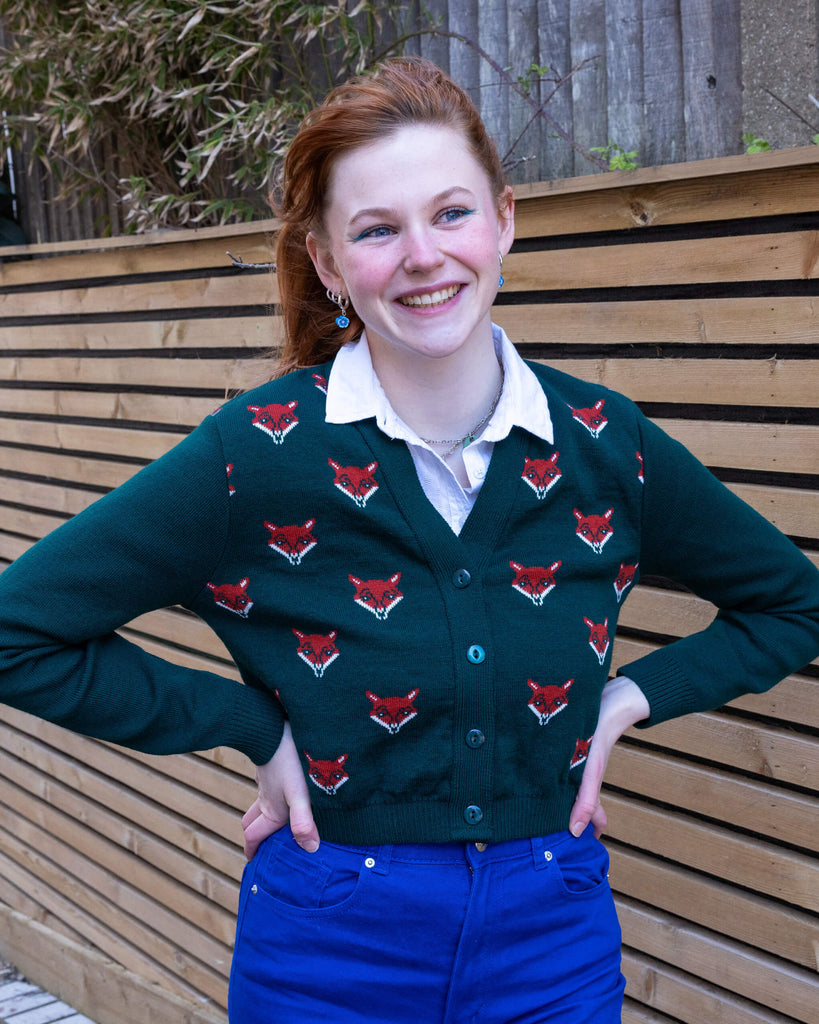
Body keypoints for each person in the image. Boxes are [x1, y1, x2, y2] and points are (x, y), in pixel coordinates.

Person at [0, 57, 817, 1024]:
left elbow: (789, 603)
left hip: (550, 934)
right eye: (378, 230)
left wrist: (624, 702)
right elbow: (22, 631)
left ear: (504, 222)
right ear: (330, 263)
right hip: (330, 939)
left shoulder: (606, 444)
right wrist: (248, 727)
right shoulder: (257, 454)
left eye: (452, 213)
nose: (424, 255)